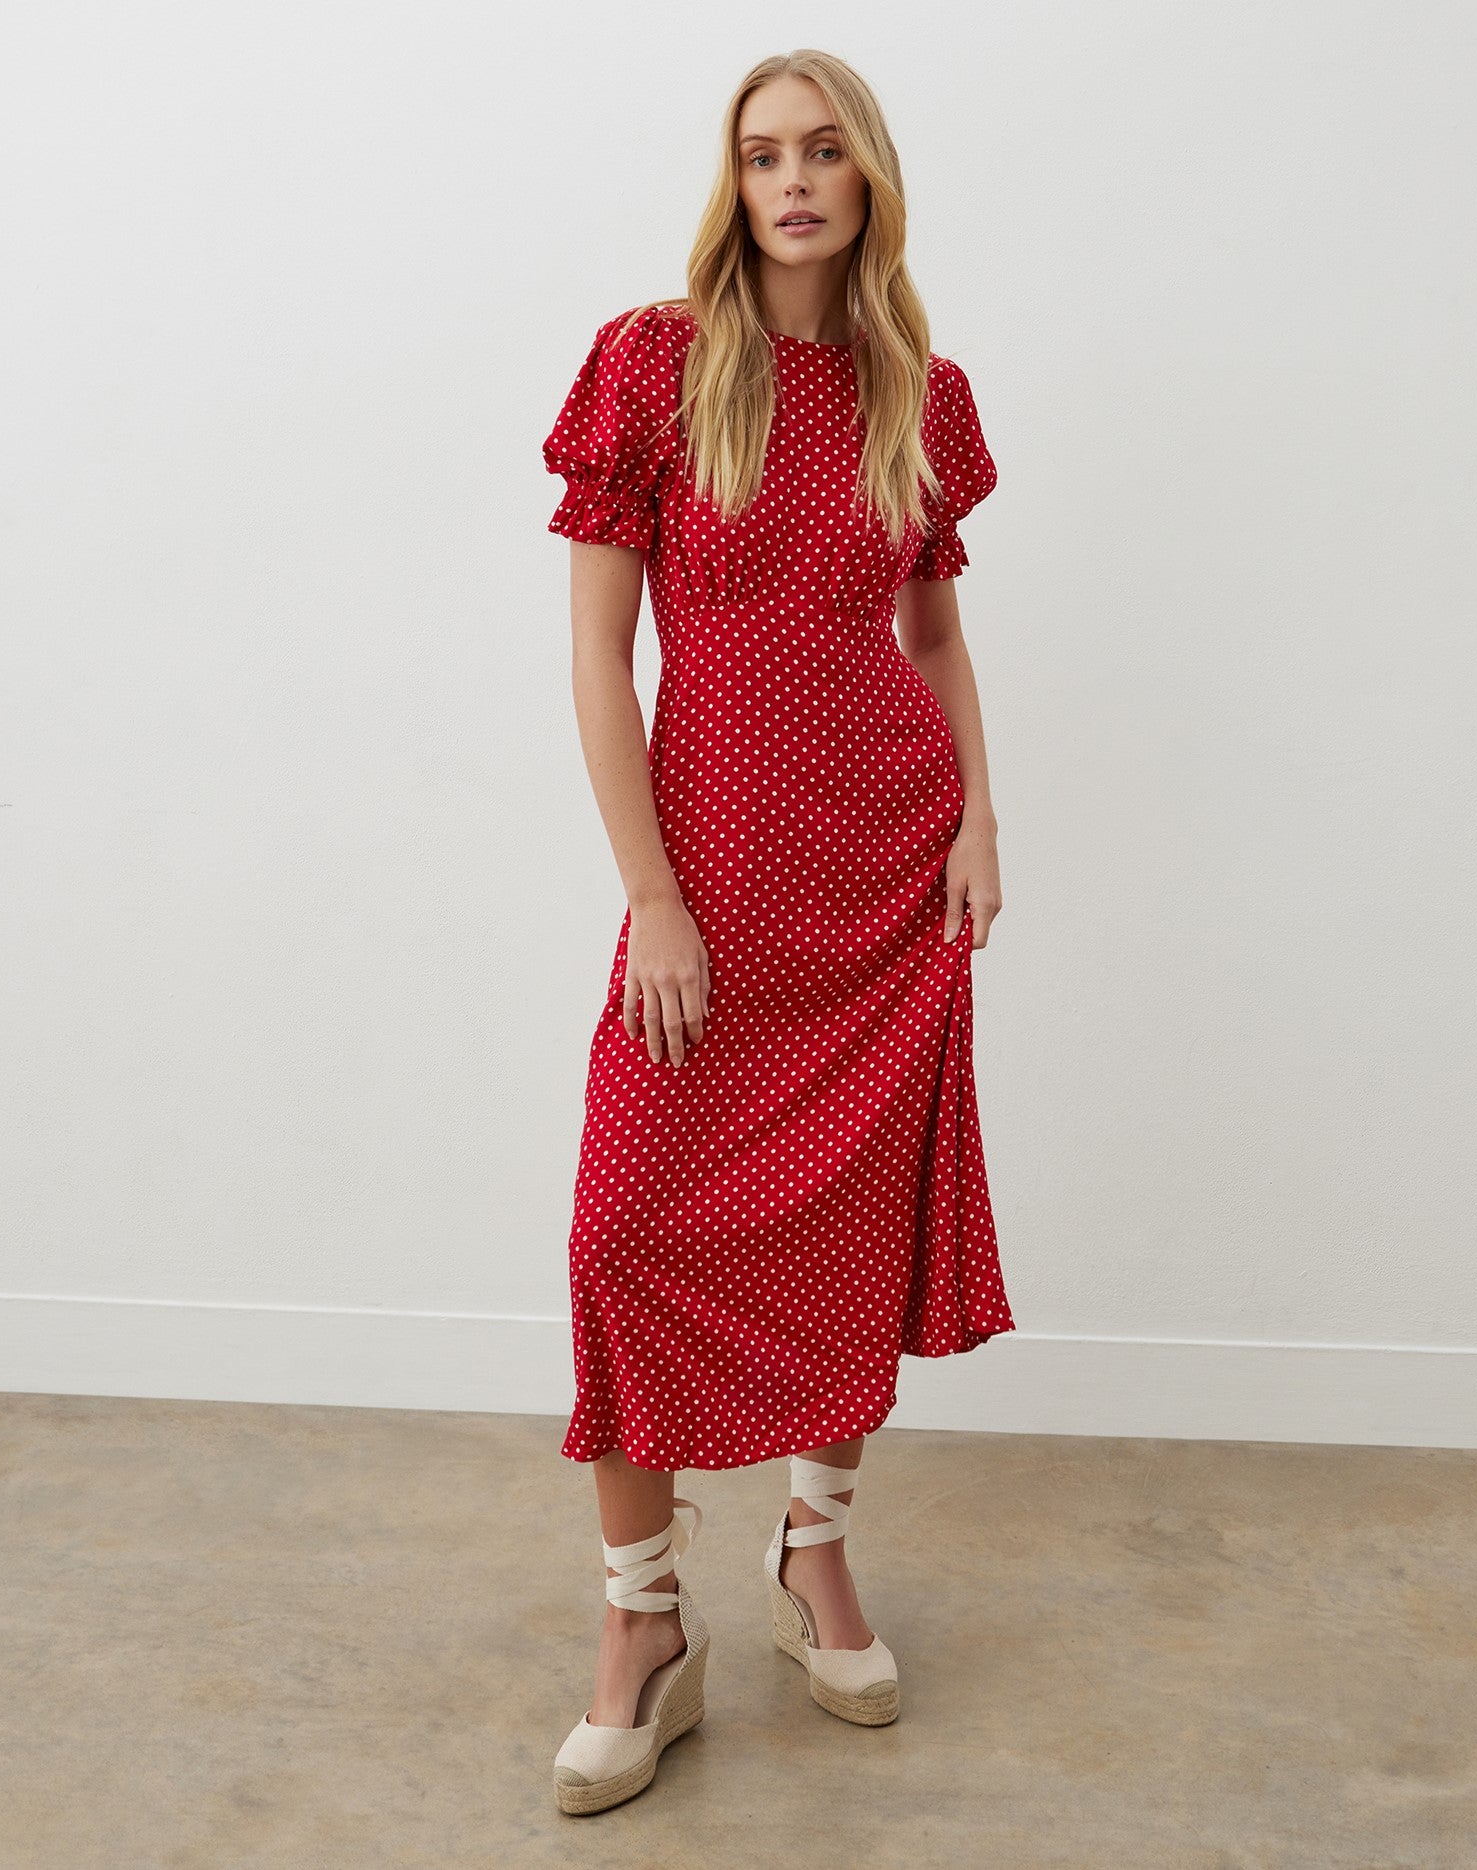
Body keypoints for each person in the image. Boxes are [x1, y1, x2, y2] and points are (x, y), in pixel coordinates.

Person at [541, 47, 1017, 1814]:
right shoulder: (656, 367)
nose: (794, 180)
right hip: (715, 886)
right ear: (730, 186)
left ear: (868, 176)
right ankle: (642, 1625)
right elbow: (600, 653)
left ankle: (816, 1553)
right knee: (626, 1229)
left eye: (824, 151)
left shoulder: (919, 391)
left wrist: (976, 811)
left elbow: (935, 633)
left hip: (883, 876)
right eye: (762, 155)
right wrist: (652, 894)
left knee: (840, 1227)